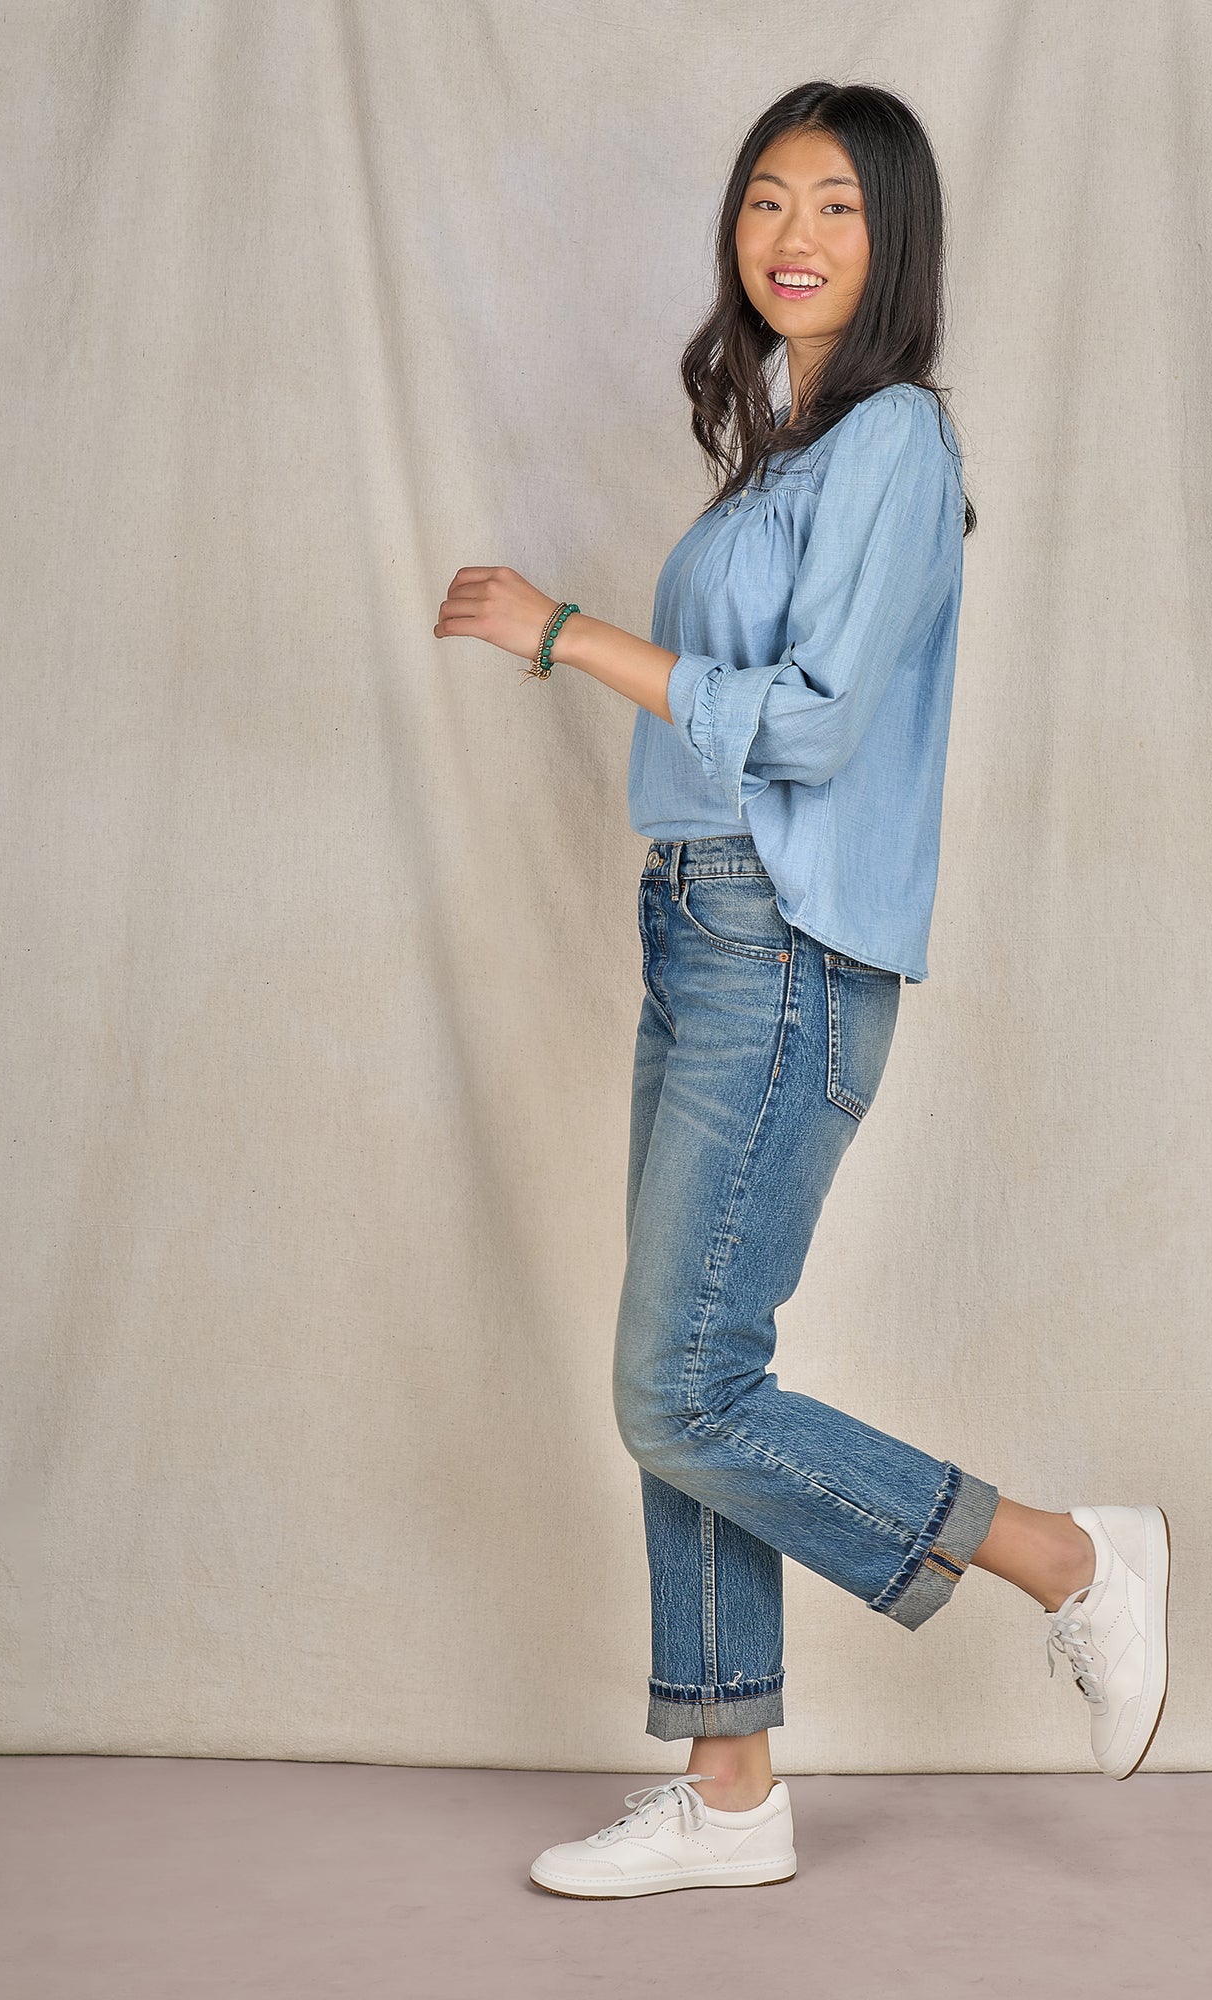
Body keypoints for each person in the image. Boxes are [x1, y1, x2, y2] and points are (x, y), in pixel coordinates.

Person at [435, 79, 1169, 1901]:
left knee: (674, 1386)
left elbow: (825, 726)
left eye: (835, 205)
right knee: (691, 1369)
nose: (791, 237)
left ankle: (1071, 1563)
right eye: (766, 200)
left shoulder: (902, 441)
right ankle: (734, 1782)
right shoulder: (788, 454)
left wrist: (567, 631)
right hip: (696, 929)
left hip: (785, 939)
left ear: (892, 237)